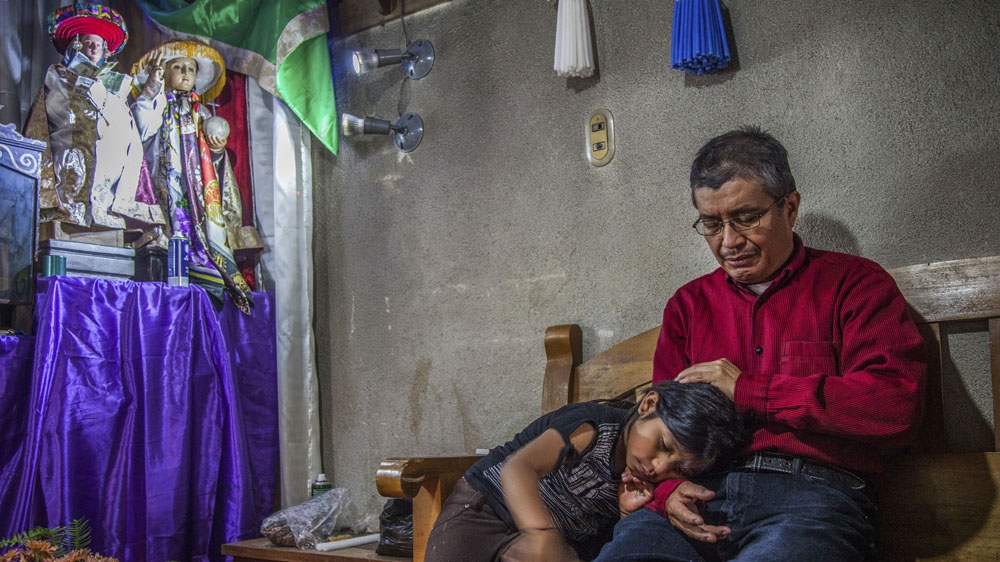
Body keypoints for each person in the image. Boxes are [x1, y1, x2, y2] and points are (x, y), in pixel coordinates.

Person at [592, 126, 927, 562]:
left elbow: (895, 409)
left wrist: (750, 389)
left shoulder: (855, 285)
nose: (729, 242)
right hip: (698, 498)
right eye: (712, 224)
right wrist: (669, 491)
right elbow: (661, 427)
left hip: (811, 498)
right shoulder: (689, 306)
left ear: (789, 207)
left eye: (746, 218)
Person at [424, 381, 747, 562]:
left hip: (553, 544)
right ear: (648, 405)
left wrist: (624, 514)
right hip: (485, 512)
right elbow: (518, 469)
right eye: (662, 444)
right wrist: (541, 533)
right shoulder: (592, 427)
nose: (659, 467)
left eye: (678, 468)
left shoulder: (642, 484)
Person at [130, 40, 262, 314]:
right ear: (164, 74)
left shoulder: (201, 113)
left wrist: (215, 151)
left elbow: (212, 164)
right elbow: (142, 130)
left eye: (190, 68)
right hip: (162, 184)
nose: (185, 72)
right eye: (177, 67)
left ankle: (203, 263)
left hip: (196, 192)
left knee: (199, 226)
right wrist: (151, 90)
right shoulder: (156, 106)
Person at [23, 3, 165, 237]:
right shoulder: (59, 78)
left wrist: (149, 93)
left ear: (105, 50)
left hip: (108, 177)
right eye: (87, 43)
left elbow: (134, 131)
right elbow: (57, 113)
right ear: (76, 46)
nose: (92, 48)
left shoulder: (115, 89)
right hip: (71, 163)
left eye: (98, 44)